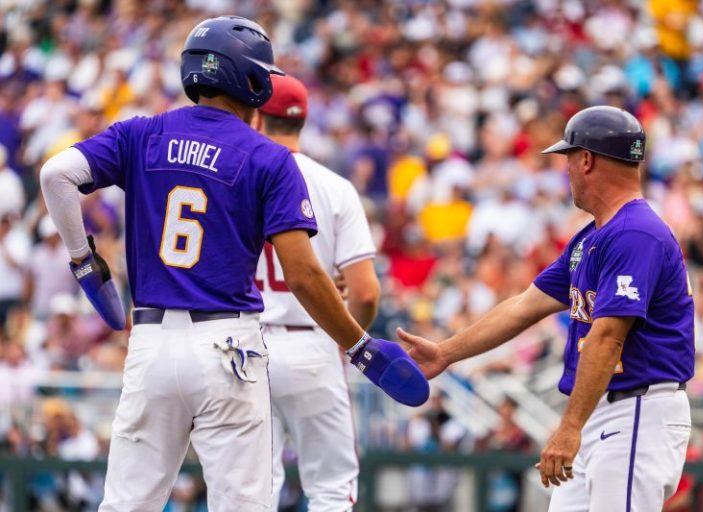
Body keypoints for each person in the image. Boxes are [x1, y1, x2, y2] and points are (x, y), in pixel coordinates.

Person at [39, 16, 428, 512]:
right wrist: (359, 345)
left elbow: (56, 175)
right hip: (228, 345)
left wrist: (83, 260)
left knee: (126, 505)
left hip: (151, 342)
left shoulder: (143, 132)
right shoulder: (269, 158)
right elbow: (303, 274)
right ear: (251, 78)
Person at [400, 106, 695, 511]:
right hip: (602, 410)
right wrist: (446, 352)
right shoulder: (593, 236)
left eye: (568, 158)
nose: (565, 170)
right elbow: (524, 306)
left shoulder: (636, 233)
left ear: (586, 160)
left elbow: (607, 338)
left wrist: (568, 428)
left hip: (637, 412)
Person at [252, 74, 380, 511]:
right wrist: (347, 339)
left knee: (251, 489)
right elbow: (365, 292)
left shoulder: (237, 178)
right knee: (330, 489)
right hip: (312, 339)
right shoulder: (334, 186)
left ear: (257, 116)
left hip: (243, 343)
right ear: (302, 120)